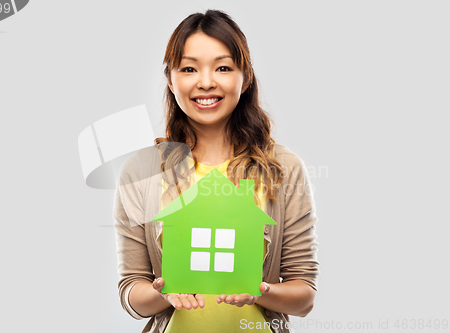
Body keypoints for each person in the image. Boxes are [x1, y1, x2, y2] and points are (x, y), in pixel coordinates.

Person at [113, 9, 319, 333]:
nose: (206, 82)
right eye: (189, 68)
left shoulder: (284, 168)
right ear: (170, 79)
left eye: (223, 67)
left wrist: (262, 292)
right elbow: (131, 292)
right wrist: (162, 293)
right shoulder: (141, 171)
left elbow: (304, 294)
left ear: (245, 77)